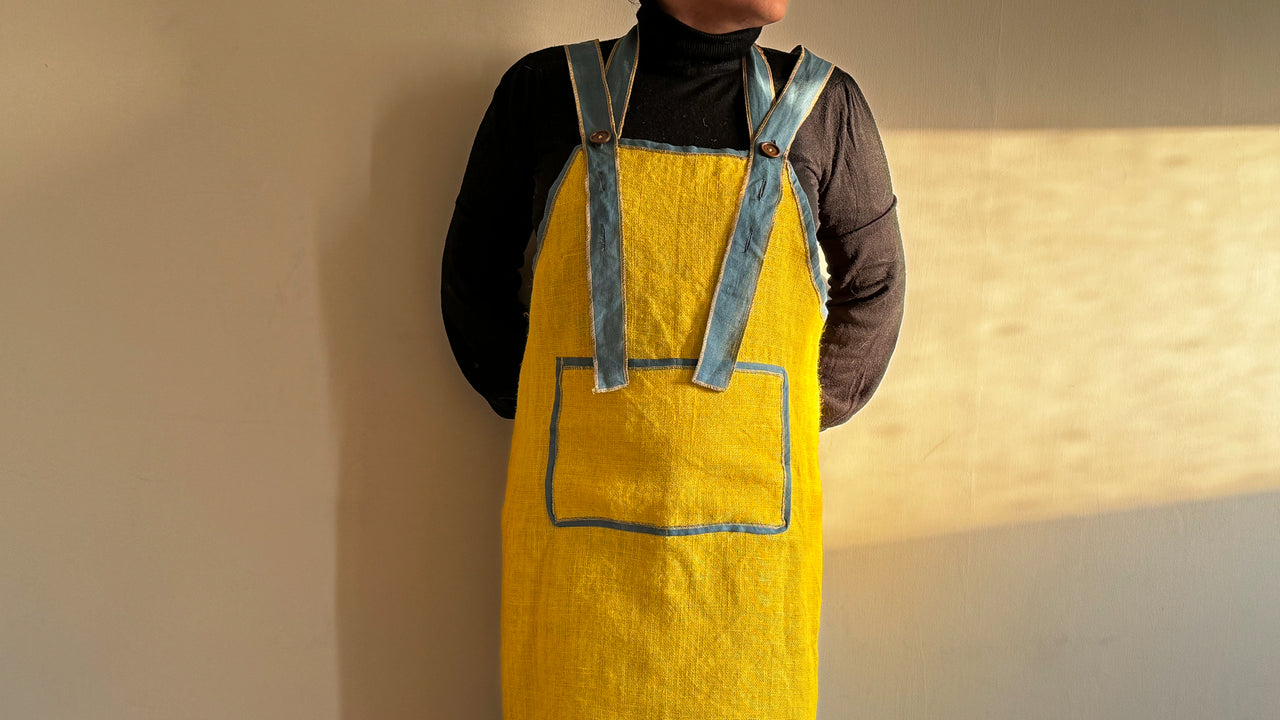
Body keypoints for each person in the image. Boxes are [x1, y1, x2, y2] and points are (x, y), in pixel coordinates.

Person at [440, 0, 905, 716]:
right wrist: (553, 418)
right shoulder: (543, 93)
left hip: (748, 579)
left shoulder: (823, 108)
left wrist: (774, 424)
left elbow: (875, 289)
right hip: (579, 575)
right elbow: (472, 286)